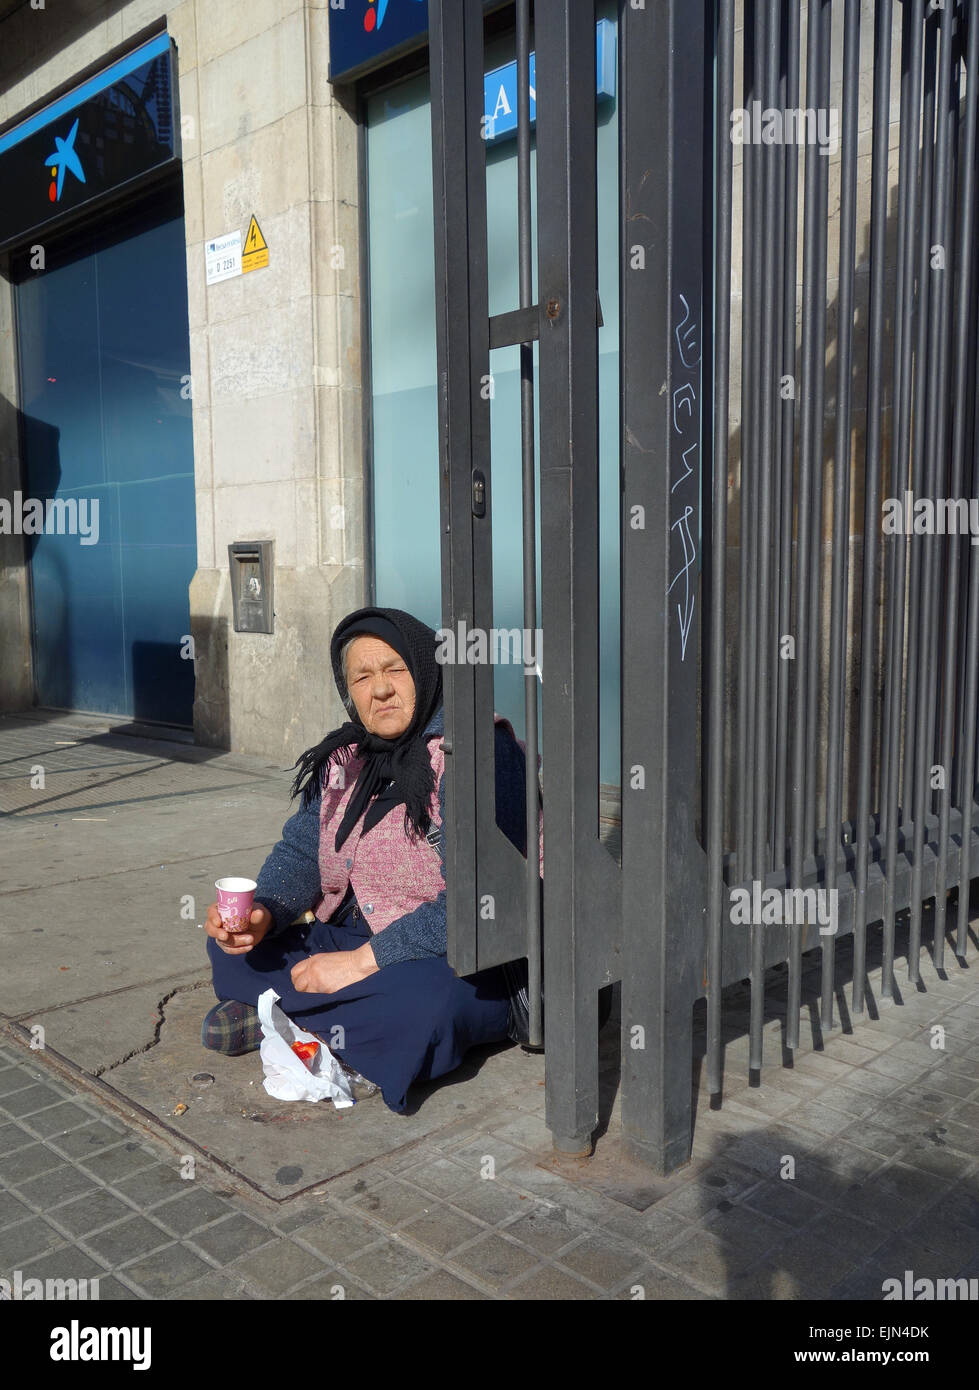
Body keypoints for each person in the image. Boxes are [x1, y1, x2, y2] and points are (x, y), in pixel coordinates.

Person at [201, 606, 539, 1113]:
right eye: (362, 676)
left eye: (395, 670)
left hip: (463, 954)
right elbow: (301, 851)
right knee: (235, 951)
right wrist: (262, 914)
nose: (379, 690)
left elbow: (481, 900)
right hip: (358, 931)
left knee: (425, 1008)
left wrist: (359, 965)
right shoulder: (349, 757)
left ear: (427, 670)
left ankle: (289, 1015)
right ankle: (318, 1019)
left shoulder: (473, 753)